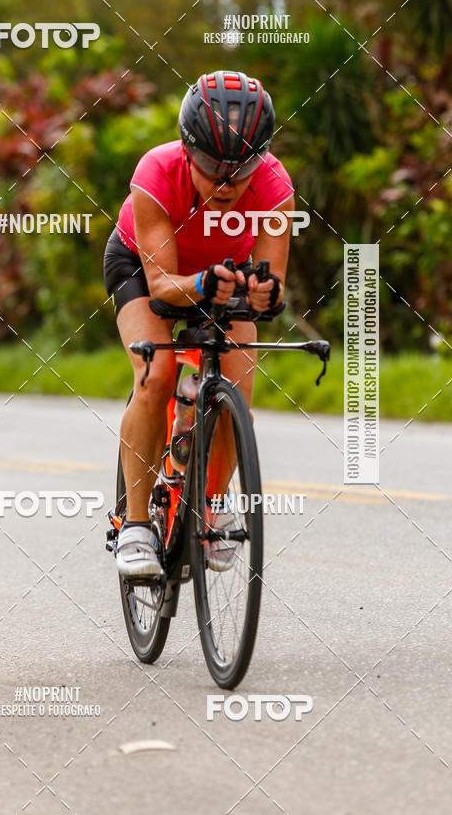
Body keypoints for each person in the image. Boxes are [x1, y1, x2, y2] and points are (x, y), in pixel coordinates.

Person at [103, 70, 294, 577]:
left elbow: (273, 286)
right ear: (188, 152)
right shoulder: (156, 174)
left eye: (244, 166)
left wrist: (264, 293)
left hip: (220, 279)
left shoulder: (275, 188)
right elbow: (164, 287)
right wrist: (211, 282)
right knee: (158, 376)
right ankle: (137, 525)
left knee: (238, 394)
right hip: (143, 271)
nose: (228, 183)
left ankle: (209, 504)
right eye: (212, 167)